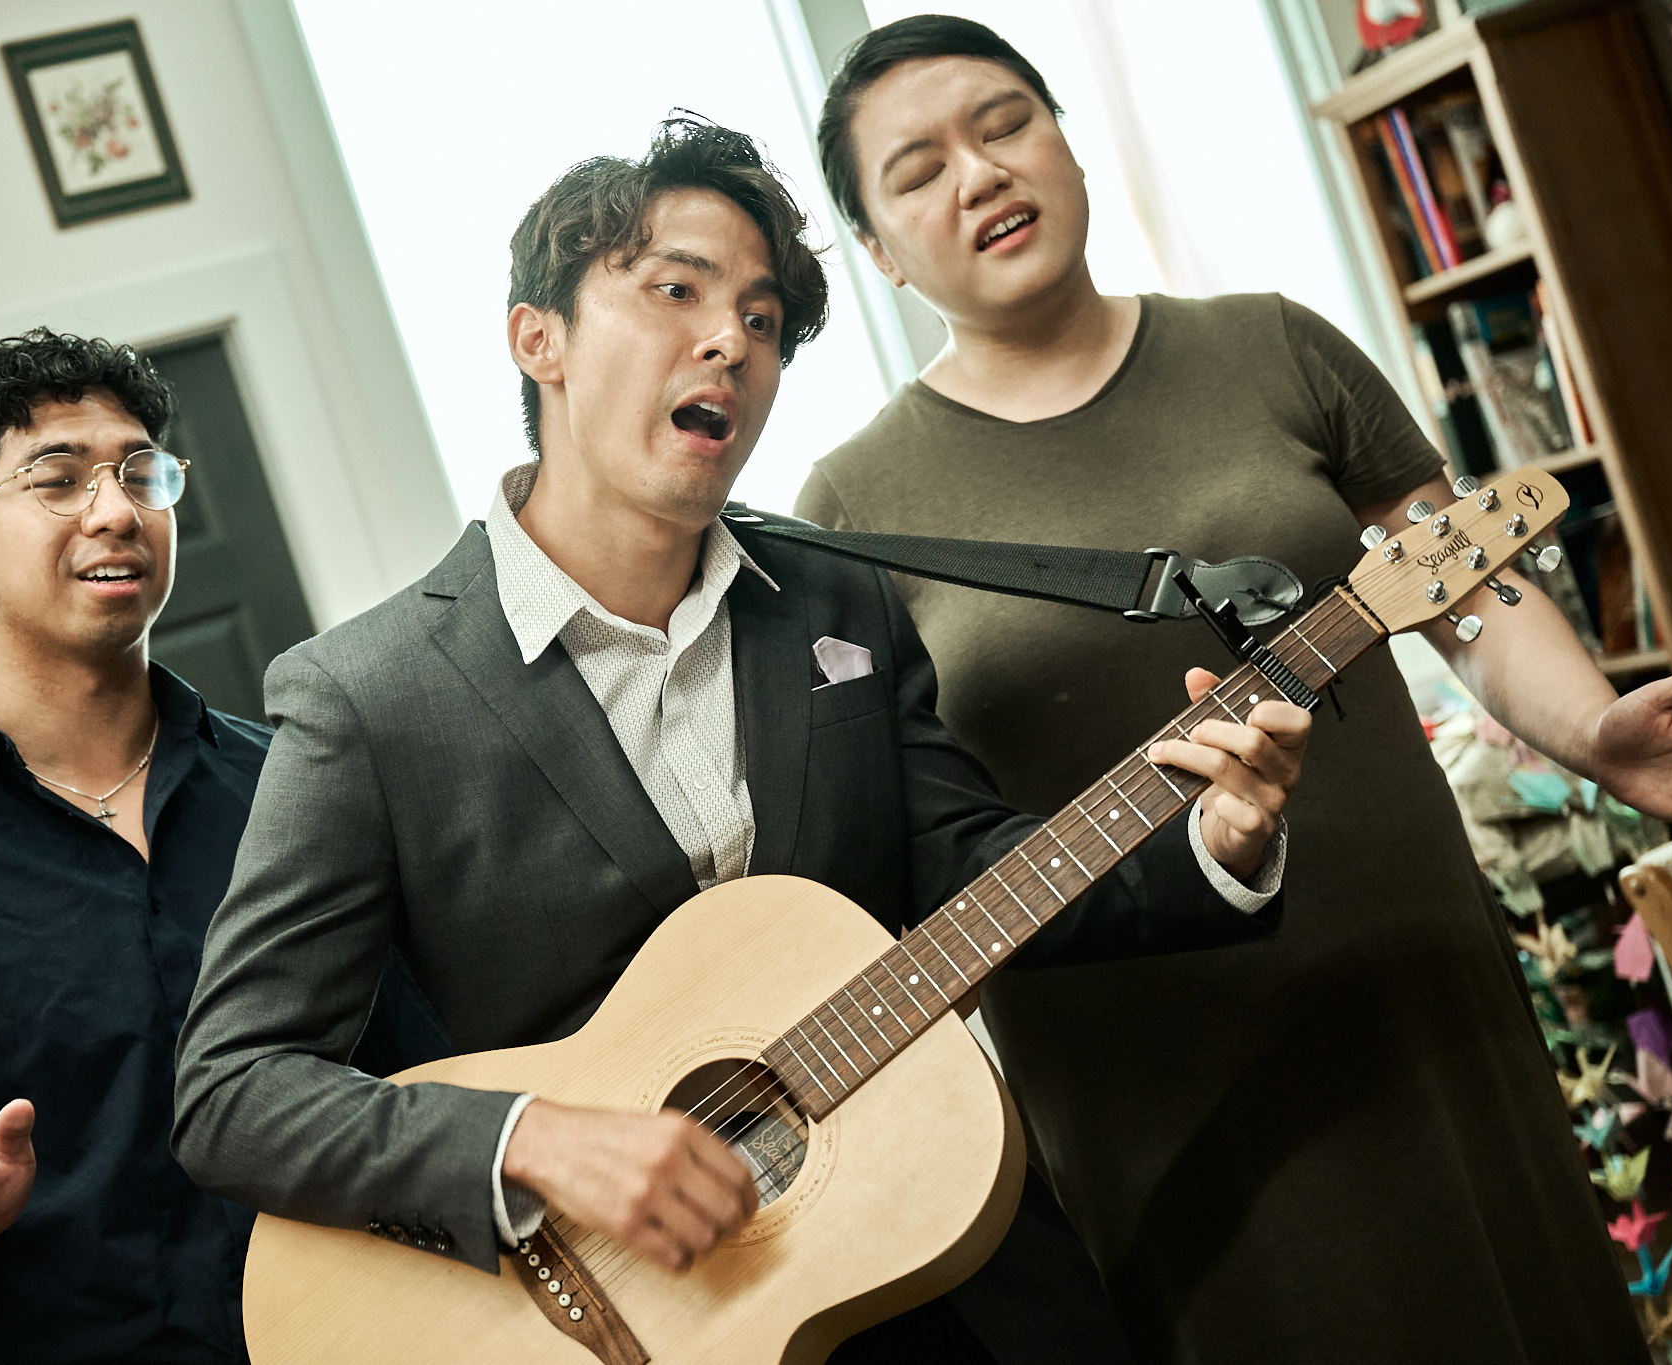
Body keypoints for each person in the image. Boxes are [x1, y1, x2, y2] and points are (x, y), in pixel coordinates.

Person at [172, 118, 1309, 1363]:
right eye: (675, 291)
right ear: (537, 340)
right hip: (631, 1320)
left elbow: (962, 869)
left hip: (946, 1269)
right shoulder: (368, 695)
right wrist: (532, 1141)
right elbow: (233, 1090)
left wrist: (1209, 842)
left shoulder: (834, 599)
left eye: (760, 320)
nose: (729, 341)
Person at [798, 15, 1672, 1364]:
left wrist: (1591, 728)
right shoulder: (849, 509)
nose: (980, 174)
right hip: (1154, 1071)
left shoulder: (1272, 345)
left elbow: (1457, 575)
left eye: (1004, 125)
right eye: (918, 171)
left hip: (1409, 967)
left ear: (1065, 141)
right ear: (876, 251)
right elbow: (900, 843)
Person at [0, 329, 439, 1363]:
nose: (117, 509)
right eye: (58, 478)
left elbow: (432, 1073)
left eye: (140, 473)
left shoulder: (301, 788)